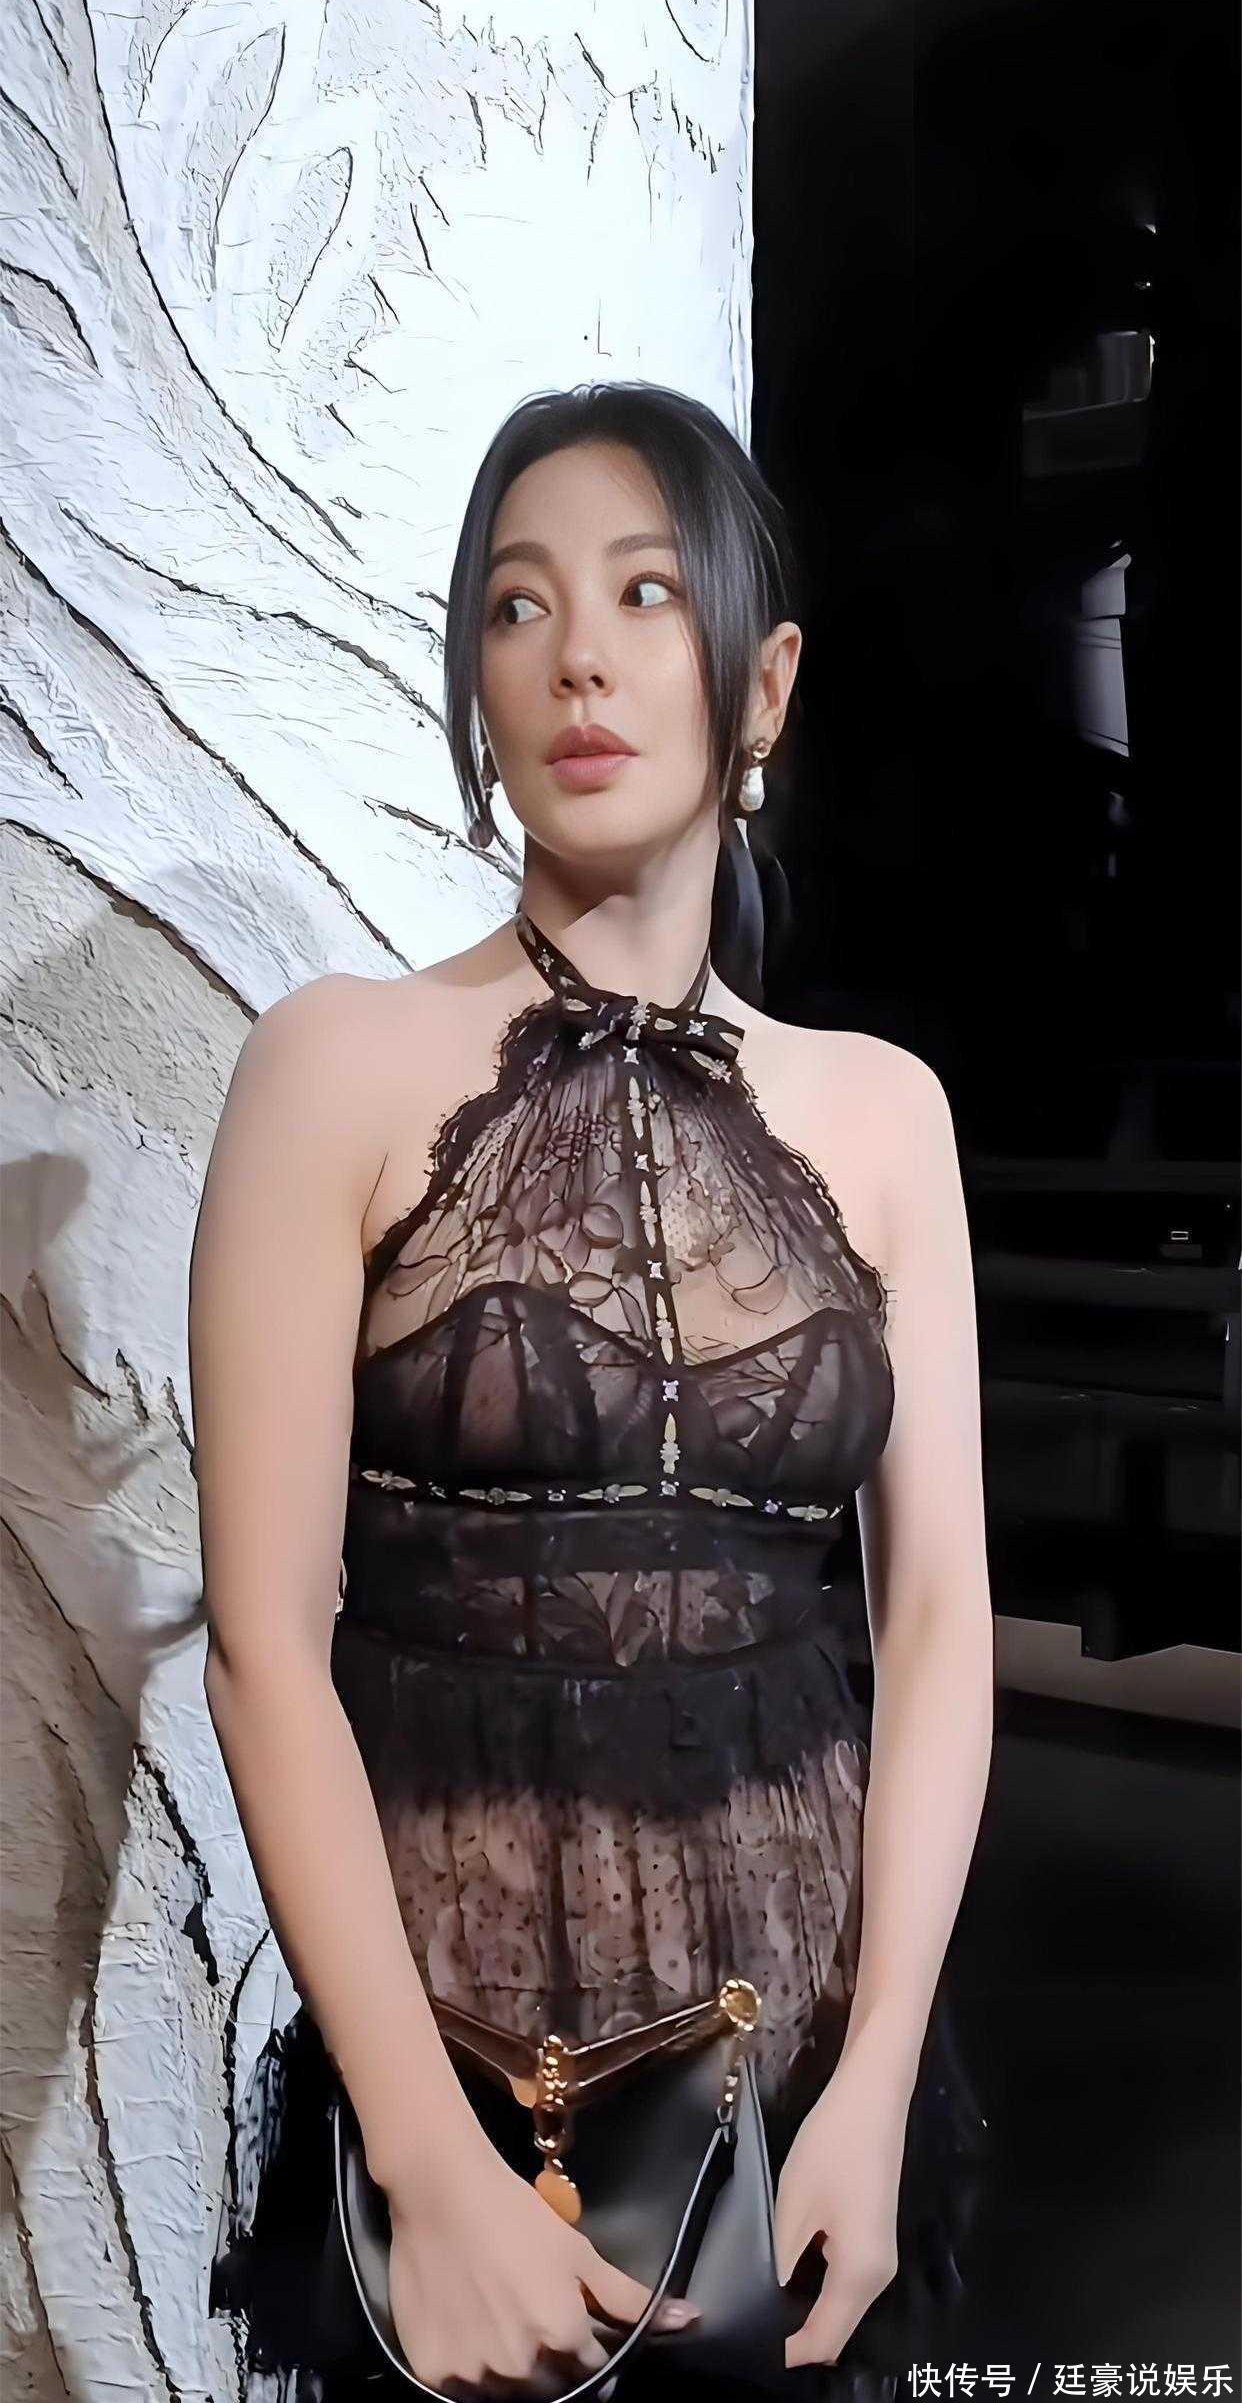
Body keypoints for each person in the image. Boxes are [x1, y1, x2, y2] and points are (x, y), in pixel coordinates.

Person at [193, 380, 993, 2401]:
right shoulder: (335, 1063)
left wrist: (879, 2079)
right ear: (475, 683)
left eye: (644, 591)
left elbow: (935, 1623)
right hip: (456, 2102)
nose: (578, 655)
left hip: (809, 2088)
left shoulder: (884, 1113)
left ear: (762, 681)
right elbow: (265, 1644)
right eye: (517, 603)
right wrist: (423, 2163)